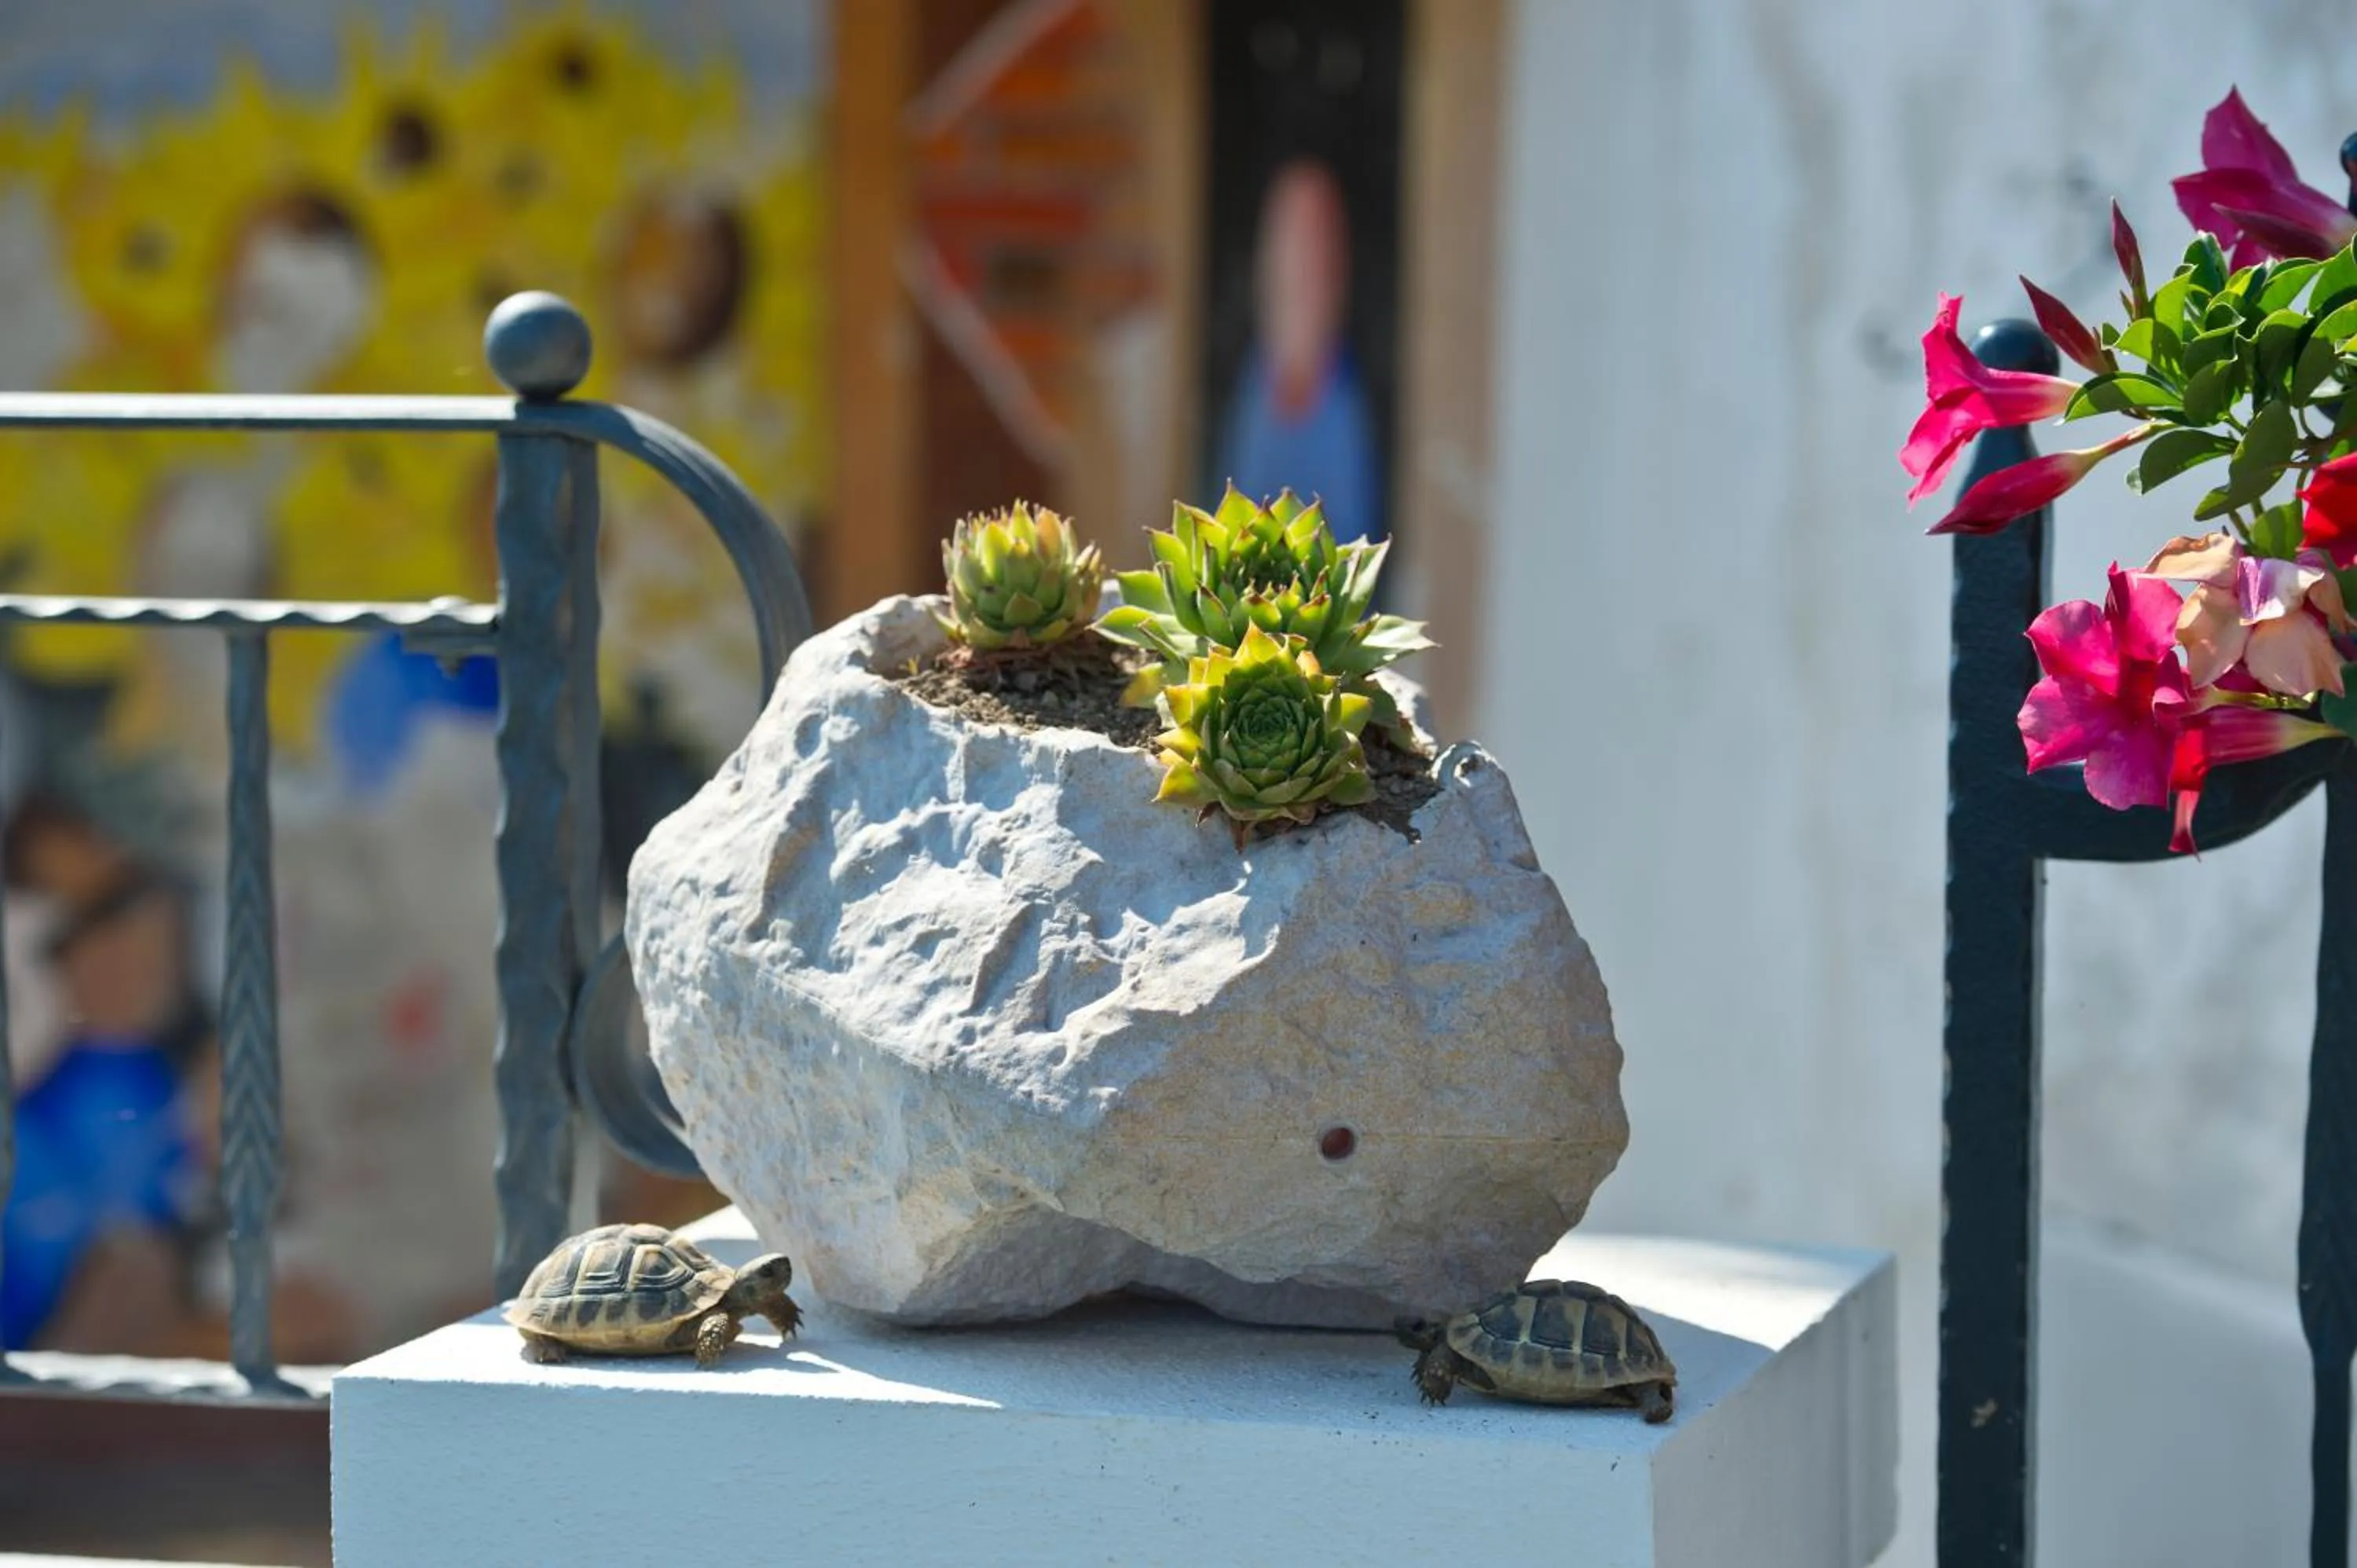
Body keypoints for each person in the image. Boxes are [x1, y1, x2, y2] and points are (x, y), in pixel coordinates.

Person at [1211, 156, 1382, 544]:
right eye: (1290, 241)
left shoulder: (1371, 399)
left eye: (1319, 241)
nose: (1304, 265)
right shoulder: (1225, 385)